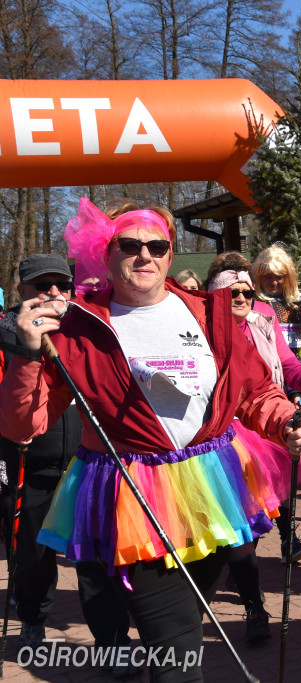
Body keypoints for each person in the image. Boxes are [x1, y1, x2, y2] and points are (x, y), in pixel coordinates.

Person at [0, 197, 301, 682]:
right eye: (130, 245)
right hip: (134, 493)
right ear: (107, 254)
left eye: (156, 246)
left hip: (215, 486)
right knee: (173, 643)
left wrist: (289, 423)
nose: (144, 255)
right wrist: (23, 354)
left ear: (170, 256)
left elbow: (253, 391)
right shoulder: (77, 328)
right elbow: (24, 426)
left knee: (185, 629)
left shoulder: (211, 314)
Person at [0, 254, 135, 675]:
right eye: (42, 286)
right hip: (29, 464)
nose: (53, 293)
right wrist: (25, 349)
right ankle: (34, 620)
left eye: (62, 284)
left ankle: (113, 644)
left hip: (85, 466)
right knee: (32, 557)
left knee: (95, 561)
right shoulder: (6, 335)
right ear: (21, 293)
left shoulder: (85, 333)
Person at [207, 262, 301, 641]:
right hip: (221, 437)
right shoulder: (200, 334)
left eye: (247, 292)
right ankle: (253, 603)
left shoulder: (263, 323)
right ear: (215, 298)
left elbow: (288, 365)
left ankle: (254, 603)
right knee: (240, 528)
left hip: (267, 427)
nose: (242, 299)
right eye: (232, 293)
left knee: (253, 521)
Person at [252, 244, 301, 516]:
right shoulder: (253, 301)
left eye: (279, 276)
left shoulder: (298, 301)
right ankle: (278, 502)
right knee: (279, 439)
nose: (274, 282)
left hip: (300, 376)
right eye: (268, 276)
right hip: (271, 379)